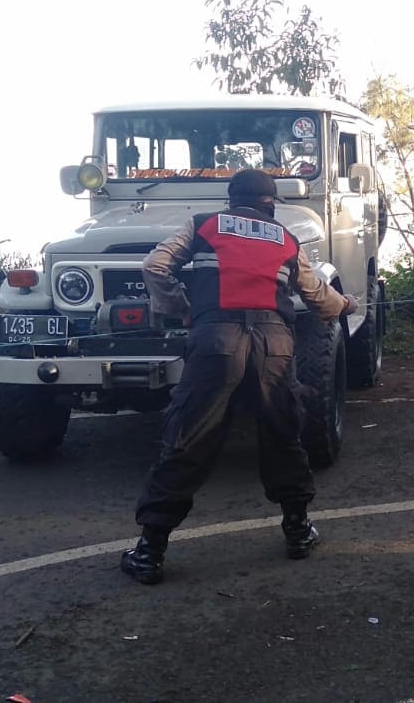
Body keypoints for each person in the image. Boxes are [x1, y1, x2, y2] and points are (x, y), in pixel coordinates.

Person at [121, 169, 354, 585]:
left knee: (188, 439)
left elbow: (156, 266)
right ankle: (298, 532)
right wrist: (346, 305)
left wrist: (183, 308)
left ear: (231, 199)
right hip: (275, 345)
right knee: (283, 436)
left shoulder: (203, 224)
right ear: (270, 203)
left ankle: (149, 552)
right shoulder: (285, 238)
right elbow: (319, 297)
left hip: (216, 341)